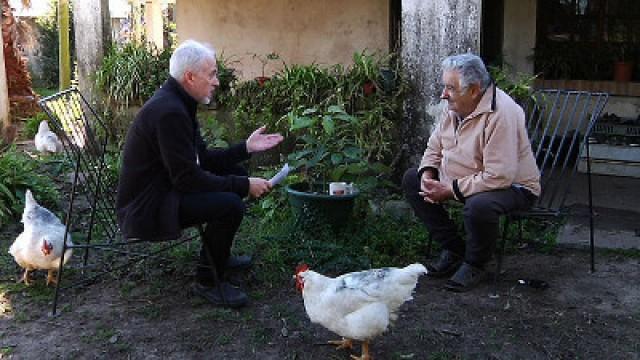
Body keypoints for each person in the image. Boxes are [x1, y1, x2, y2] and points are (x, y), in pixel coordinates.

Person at [116, 40, 283, 308]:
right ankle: (207, 280)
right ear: (190, 77)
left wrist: (246, 148)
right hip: (148, 207)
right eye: (212, 74)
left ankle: (218, 256)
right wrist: (243, 186)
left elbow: (202, 160)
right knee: (229, 205)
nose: (216, 81)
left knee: (234, 175)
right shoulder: (170, 112)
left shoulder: (178, 102)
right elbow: (188, 179)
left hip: (165, 190)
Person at [402, 54, 541, 292]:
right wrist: (428, 176)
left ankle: (476, 263)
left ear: (475, 90)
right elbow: (434, 147)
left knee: (479, 205)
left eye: (450, 88)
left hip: (513, 188)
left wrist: (450, 189)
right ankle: (455, 249)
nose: (443, 94)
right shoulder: (455, 106)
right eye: (444, 86)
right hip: (465, 181)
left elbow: (499, 175)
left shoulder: (502, 113)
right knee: (412, 179)